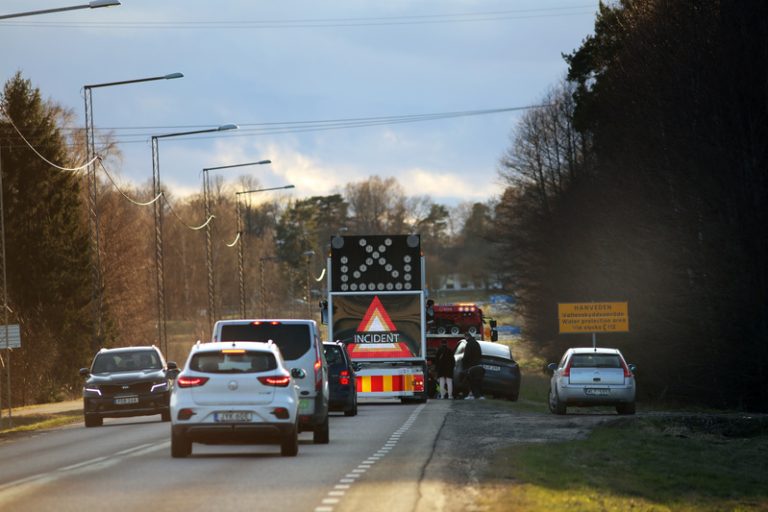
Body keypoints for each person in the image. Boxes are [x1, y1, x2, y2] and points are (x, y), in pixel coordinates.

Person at [462, 332, 485, 399]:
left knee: (470, 381)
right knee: (477, 381)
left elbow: (466, 356)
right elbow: (480, 354)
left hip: (470, 366)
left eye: (465, 337)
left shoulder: (468, 344)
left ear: (467, 337)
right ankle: (479, 395)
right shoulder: (477, 343)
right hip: (477, 365)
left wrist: (463, 362)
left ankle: (470, 394)